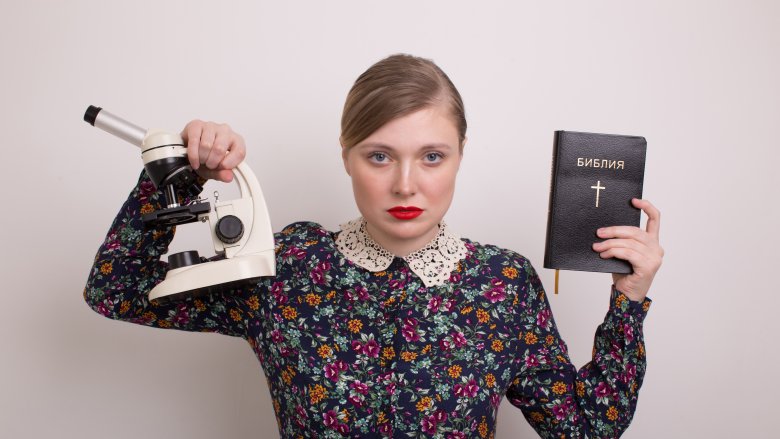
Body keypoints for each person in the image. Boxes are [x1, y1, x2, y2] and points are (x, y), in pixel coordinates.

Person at [84, 54, 663, 438]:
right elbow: (116, 291)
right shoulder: (289, 265)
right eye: (379, 155)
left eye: (432, 156)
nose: (406, 184)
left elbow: (586, 428)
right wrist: (177, 173)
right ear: (347, 155)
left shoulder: (503, 285)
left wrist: (629, 301)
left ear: (461, 154)